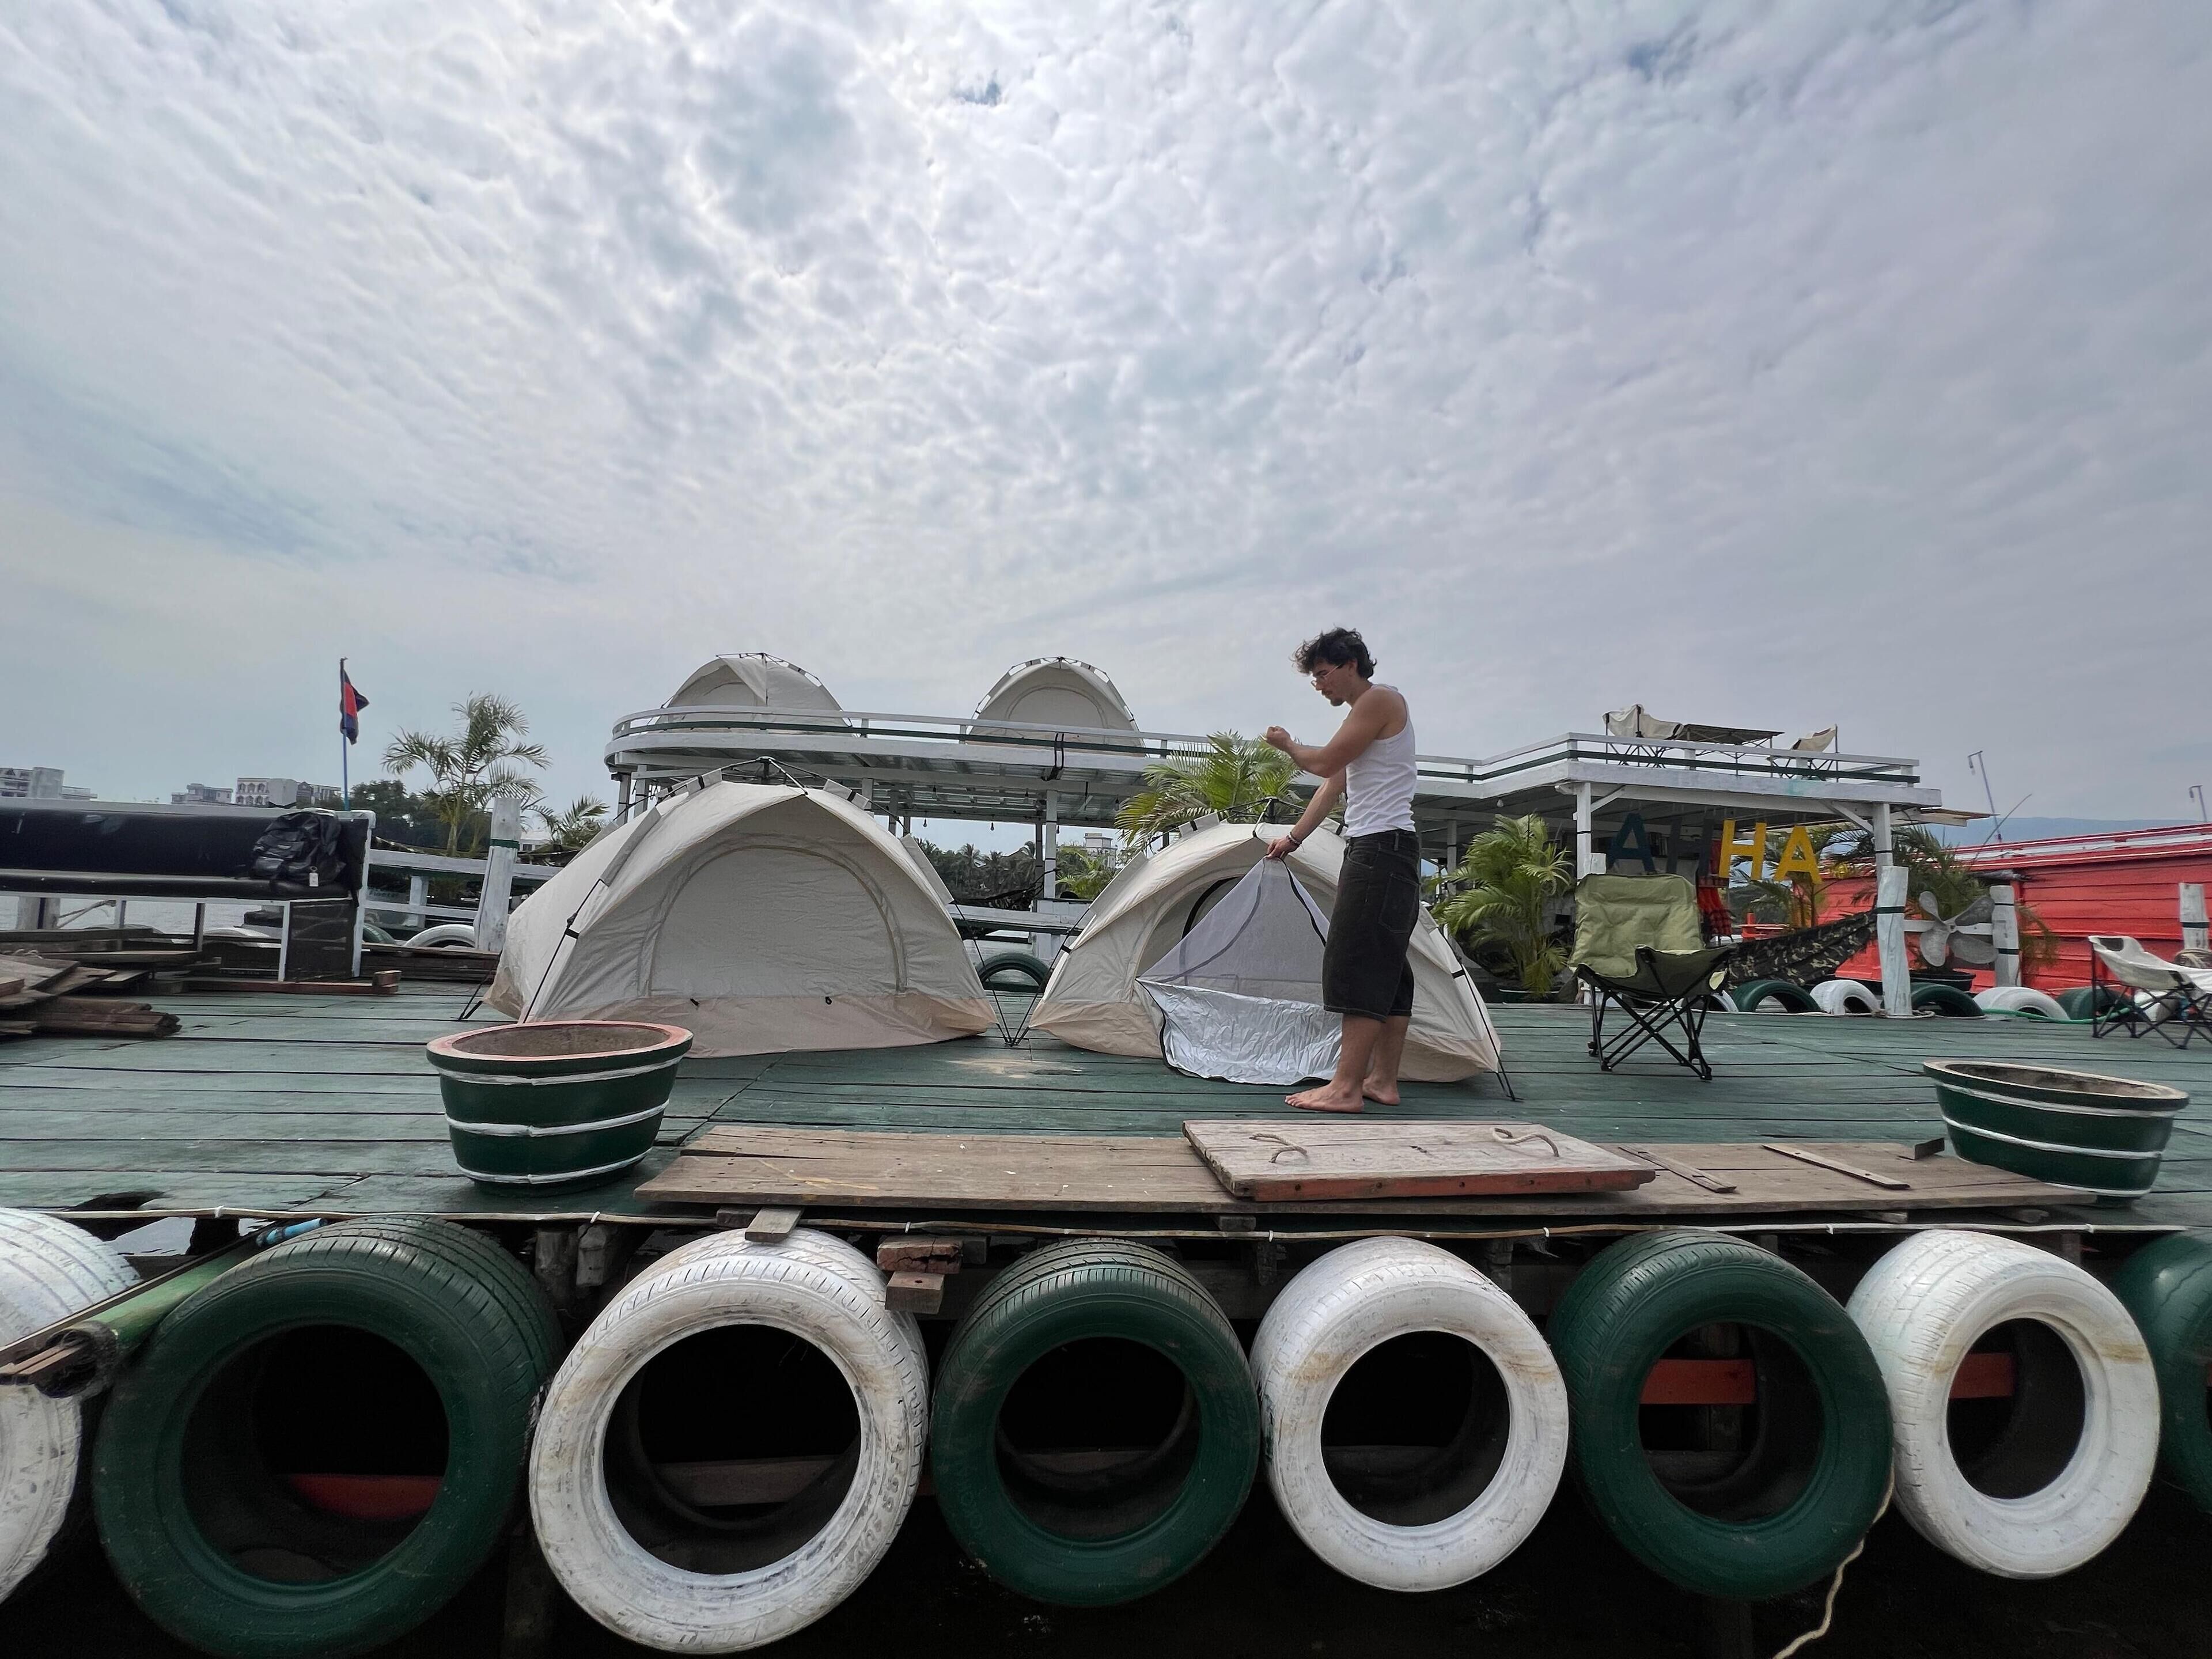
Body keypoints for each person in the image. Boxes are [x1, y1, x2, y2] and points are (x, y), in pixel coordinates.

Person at [1263, 627, 1420, 1112]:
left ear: (1350, 665)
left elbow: (1323, 761)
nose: (1319, 685)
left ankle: (1346, 1087)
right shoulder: (1364, 717)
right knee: (1389, 967)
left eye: (1323, 674)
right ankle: (1382, 1081)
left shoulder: (1379, 700)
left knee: (1357, 961)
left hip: (1381, 850)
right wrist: (1293, 839)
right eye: (1314, 678)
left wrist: (1288, 745)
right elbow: (1333, 784)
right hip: (1386, 850)